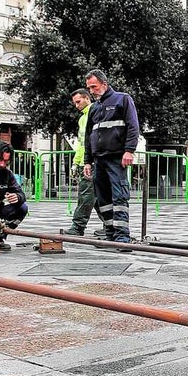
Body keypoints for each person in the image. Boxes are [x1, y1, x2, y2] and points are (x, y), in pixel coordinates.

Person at [82, 69, 140, 246]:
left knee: (119, 196)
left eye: (94, 86)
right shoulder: (94, 108)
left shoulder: (122, 99)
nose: (91, 91)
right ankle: (110, 232)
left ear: (104, 84)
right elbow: (88, 136)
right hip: (99, 159)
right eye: (89, 87)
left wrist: (129, 150)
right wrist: (87, 161)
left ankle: (122, 235)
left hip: (116, 157)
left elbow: (133, 126)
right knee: (103, 199)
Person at [64, 88, 96, 236]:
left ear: (87, 98)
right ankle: (110, 226)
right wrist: (75, 163)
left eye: (78, 101)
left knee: (85, 195)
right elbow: (81, 143)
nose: (76, 105)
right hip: (87, 161)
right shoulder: (82, 118)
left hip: (90, 163)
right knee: (97, 197)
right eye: (74, 103)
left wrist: (80, 163)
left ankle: (78, 227)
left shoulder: (92, 113)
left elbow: (88, 142)